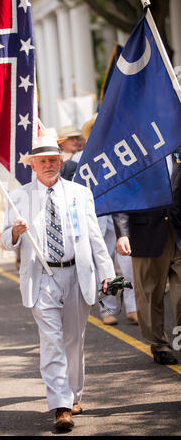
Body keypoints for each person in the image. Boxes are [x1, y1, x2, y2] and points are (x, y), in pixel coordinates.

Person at [1, 129, 115, 431]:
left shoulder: (79, 193)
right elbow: (3, 239)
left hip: (77, 275)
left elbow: (94, 237)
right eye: (43, 161)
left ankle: (74, 393)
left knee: (74, 341)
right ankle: (61, 406)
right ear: (32, 165)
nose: (49, 164)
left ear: (61, 160)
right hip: (42, 278)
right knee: (51, 342)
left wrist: (107, 274)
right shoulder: (18, 198)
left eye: (54, 159)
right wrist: (14, 232)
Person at [112, 148, 181, 365]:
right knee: (150, 294)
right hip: (146, 235)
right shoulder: (135, 158)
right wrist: (122, 234)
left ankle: (179, 341)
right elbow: (122, 198)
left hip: (179, 233)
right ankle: (159, 345)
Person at [80, 116, 138, 326]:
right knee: (104, 267)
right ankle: (108, 309)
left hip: (120, 216)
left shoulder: (120, 155)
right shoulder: (82, 158)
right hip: (96, 218)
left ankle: (133, 307)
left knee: (129, 265)